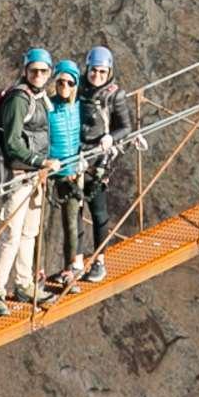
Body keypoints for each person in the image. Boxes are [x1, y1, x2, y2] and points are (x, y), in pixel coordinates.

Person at [0, 48, 55, 316]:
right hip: (19, 174)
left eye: (43, 71)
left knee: (29, 233)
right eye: (33, 71)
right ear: (25, 71)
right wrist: (40, 162)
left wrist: (41, 166)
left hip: (35, 174)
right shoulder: (20, 99)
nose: (38, 75)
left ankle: (24, 283)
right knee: (11, 234)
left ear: (48, 72)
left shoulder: (40, 98)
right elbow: (13, 143)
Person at [62, 46, 133, 286]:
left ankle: (100, 260)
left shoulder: (115, 95)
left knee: (98, 210)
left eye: (102, 72)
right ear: (88, 68)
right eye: (94, 70)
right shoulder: (77, 87)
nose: (97, 76)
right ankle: (77, 262)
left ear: (109, 70)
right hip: (75, 155)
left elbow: (126, 127)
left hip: (98, 158)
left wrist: (111, 138)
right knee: (75, 211)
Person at [39, 61, 89, 287]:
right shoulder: (47, 106)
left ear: (76, 84)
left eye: (70, 82)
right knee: (41, 227)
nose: (64, 86)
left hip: (71, 173)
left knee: (70, 224)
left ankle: (69, 270)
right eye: (60, 81)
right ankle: (37, 273)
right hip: (49, 172)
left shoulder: (80, 105)